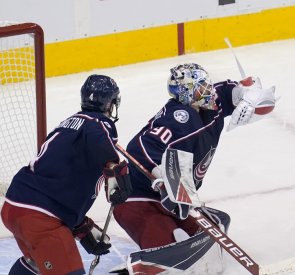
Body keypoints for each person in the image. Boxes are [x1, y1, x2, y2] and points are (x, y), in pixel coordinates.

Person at [112, 63, 276, 273]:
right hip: (137, 199)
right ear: (187, 94)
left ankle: (176, 230)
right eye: (202, 87)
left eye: (206, 84)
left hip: (173, 194)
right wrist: (161, 178)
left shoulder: (210, 104)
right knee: (168, 249)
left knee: (210, 231)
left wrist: (249, 93)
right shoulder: (179, 117)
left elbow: (234, 92)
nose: (209, 90)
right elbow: (139, 147)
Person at [1, 75, 132, 274]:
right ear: (110, 103)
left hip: (14, 206)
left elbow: (63, 179)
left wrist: (79, 226)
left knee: (37, 262)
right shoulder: (99, 124)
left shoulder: (67, 124)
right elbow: (100, 140)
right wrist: (115, 167)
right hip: (41, 217)